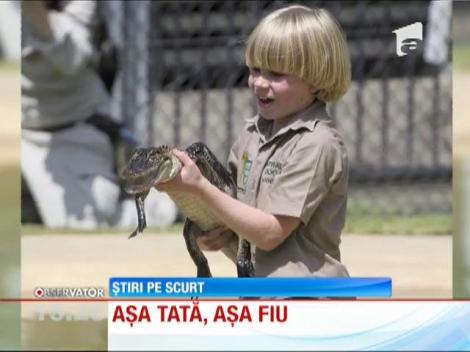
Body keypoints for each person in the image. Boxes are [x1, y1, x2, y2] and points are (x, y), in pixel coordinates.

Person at [156, 4, 351, 278]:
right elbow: (235, 214)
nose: (259, 83)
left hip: (308, 302)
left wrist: (199, 187)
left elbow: (270, 233)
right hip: (261, 296)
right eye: (255, 70)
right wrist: (214, 229)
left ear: (316, 80)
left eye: (276, 74)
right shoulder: (251, 135)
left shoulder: (316, 144)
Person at [21, 0, 177, 229]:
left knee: (83, 223)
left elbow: (71, 58)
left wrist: (33, 9)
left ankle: (149, 211)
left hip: (73, 131)